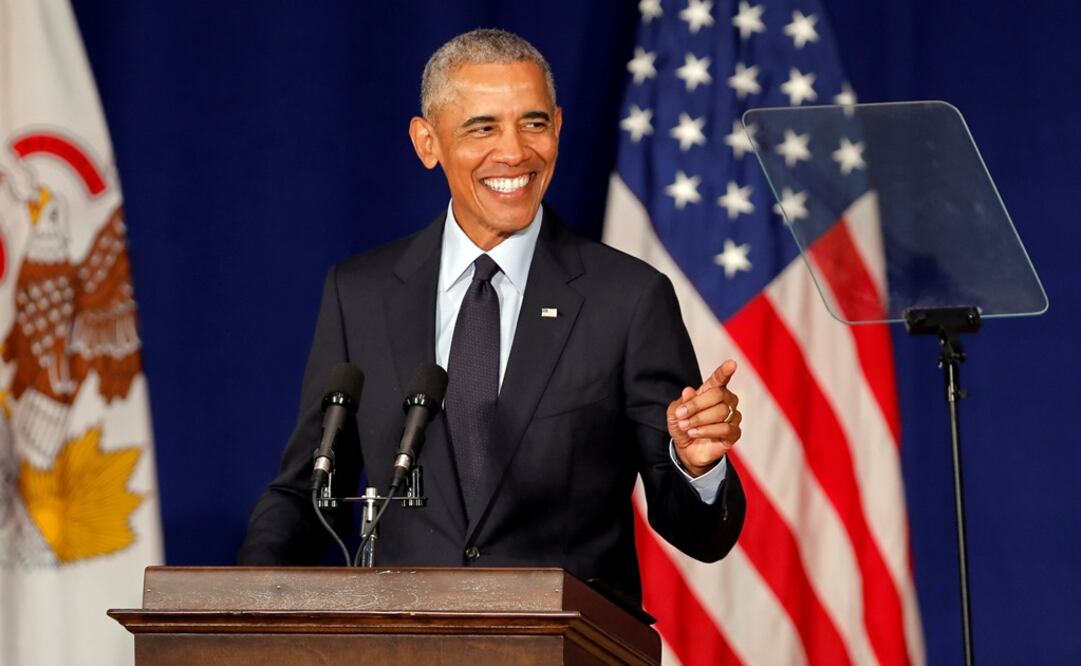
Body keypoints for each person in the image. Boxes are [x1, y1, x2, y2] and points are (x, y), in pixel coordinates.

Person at [239, 28, 746, 606]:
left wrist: (695, 466)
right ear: (427, 143)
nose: (514, 152)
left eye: (533, 123)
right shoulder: (360, 293)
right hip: (402, 644)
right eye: (483, 127)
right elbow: (309, 490)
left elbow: (701, 536)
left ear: (558, 126)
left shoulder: (627, 299)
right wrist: (244, 613)